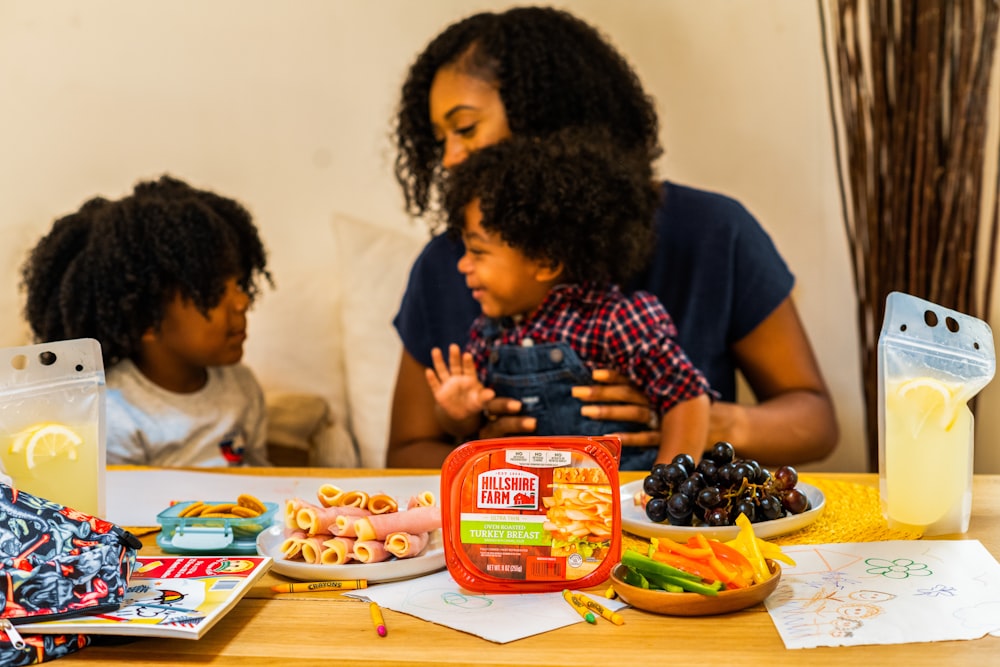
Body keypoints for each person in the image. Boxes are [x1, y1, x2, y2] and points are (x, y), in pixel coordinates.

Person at [388, 6, 838, 469]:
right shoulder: (448, 266)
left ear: (545, 115)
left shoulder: (711, 232)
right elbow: (405, 454)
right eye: (439, 139)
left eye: (464, 128)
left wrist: (698, 422)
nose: (449, 159)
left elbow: (815, 423)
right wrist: (486, 450)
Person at [426, 130, 713, 470]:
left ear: (545, 261)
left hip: (611, 503)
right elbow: (470, 431)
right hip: (527, 505)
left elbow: (688, 398)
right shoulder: (488, 332)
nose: (462, 264)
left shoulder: (615, 319)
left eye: (477, 251)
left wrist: (664, 485)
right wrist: (458, 414)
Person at [20, 175, 274, 467]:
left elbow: (262, 478)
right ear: (147, 320)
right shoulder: (115, 414)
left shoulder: (242, 386)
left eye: (239, 283)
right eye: (214, 292)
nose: (242, 302)